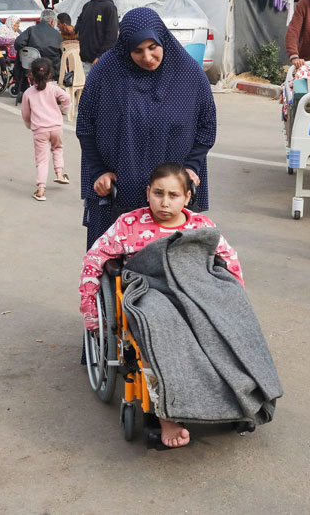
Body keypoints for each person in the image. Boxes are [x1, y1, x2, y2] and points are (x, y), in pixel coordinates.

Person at [77, 162, 243, 448]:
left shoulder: (201, 227)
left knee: (223, 328)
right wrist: (91, 313)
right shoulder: (128, 225)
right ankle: (168, 415)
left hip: (194, 293)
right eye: (158, 193)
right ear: (148, 193)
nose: (165, 202)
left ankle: (235, 396)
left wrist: (234, 303)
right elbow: (94, 261)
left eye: (174, 195)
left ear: (188, 197)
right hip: (149, 295)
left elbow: (230, 264)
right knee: (160, 331)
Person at [76, 7, 216, 249]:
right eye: (137, 50)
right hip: (116, 192)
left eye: (153, 47)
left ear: (163, 39)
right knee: (112, 268)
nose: (147, 57)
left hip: (170, 195)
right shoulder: (105, 72)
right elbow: (86, 125)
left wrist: (192, 167)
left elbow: (207, 125)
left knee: (170, 268)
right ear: (125, 48)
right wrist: (98, 170)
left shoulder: (190, 74)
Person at [21, 58, 71, 201]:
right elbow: (67, 98)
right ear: (49, 74)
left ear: (31, 74)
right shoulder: (54, 89)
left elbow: (25, 114)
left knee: (42, 160)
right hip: (56, 127)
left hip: (40, 130)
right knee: (57, 149)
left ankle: (41, 189)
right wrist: (64, 110)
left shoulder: (28, 93)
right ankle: (59, 174)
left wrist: (29, 125)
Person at [75, 0, 119, 72]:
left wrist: (100, 57)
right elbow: (78, 25)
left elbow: (111, 36)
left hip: (101, 61)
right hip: (86, 60)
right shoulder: (87, 6)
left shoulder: (109, 7)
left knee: (103, 87)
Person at [14, 9, 63, 78]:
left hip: (32, 68)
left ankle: (19, 81)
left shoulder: (31, 30)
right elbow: (62, 52)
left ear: (40, 20)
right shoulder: (57, 34)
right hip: (52, 71)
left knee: (21, 53)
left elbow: (18, 43)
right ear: (52, 22)